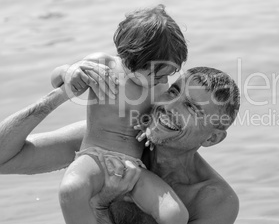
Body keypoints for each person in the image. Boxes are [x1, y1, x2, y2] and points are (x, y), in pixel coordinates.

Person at [0, 66, 240, 223]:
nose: (169, 106)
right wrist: (65, 92)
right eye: (173, 92)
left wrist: (101, 203)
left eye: (190, 107)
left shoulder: (214, 200)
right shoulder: (109, 140)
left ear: (212, 138)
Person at [49, 4, 189, 224]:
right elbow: (56, 77)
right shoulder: (102, 66)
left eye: (169, 75)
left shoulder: (159, 89)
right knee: (71, 190)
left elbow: (160, 122)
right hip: (93, 157)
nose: (164, 81)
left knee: (175, 214)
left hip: (134, 167)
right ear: (132, 59)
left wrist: (155, 128)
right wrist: (69, 72)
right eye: (157, 75)